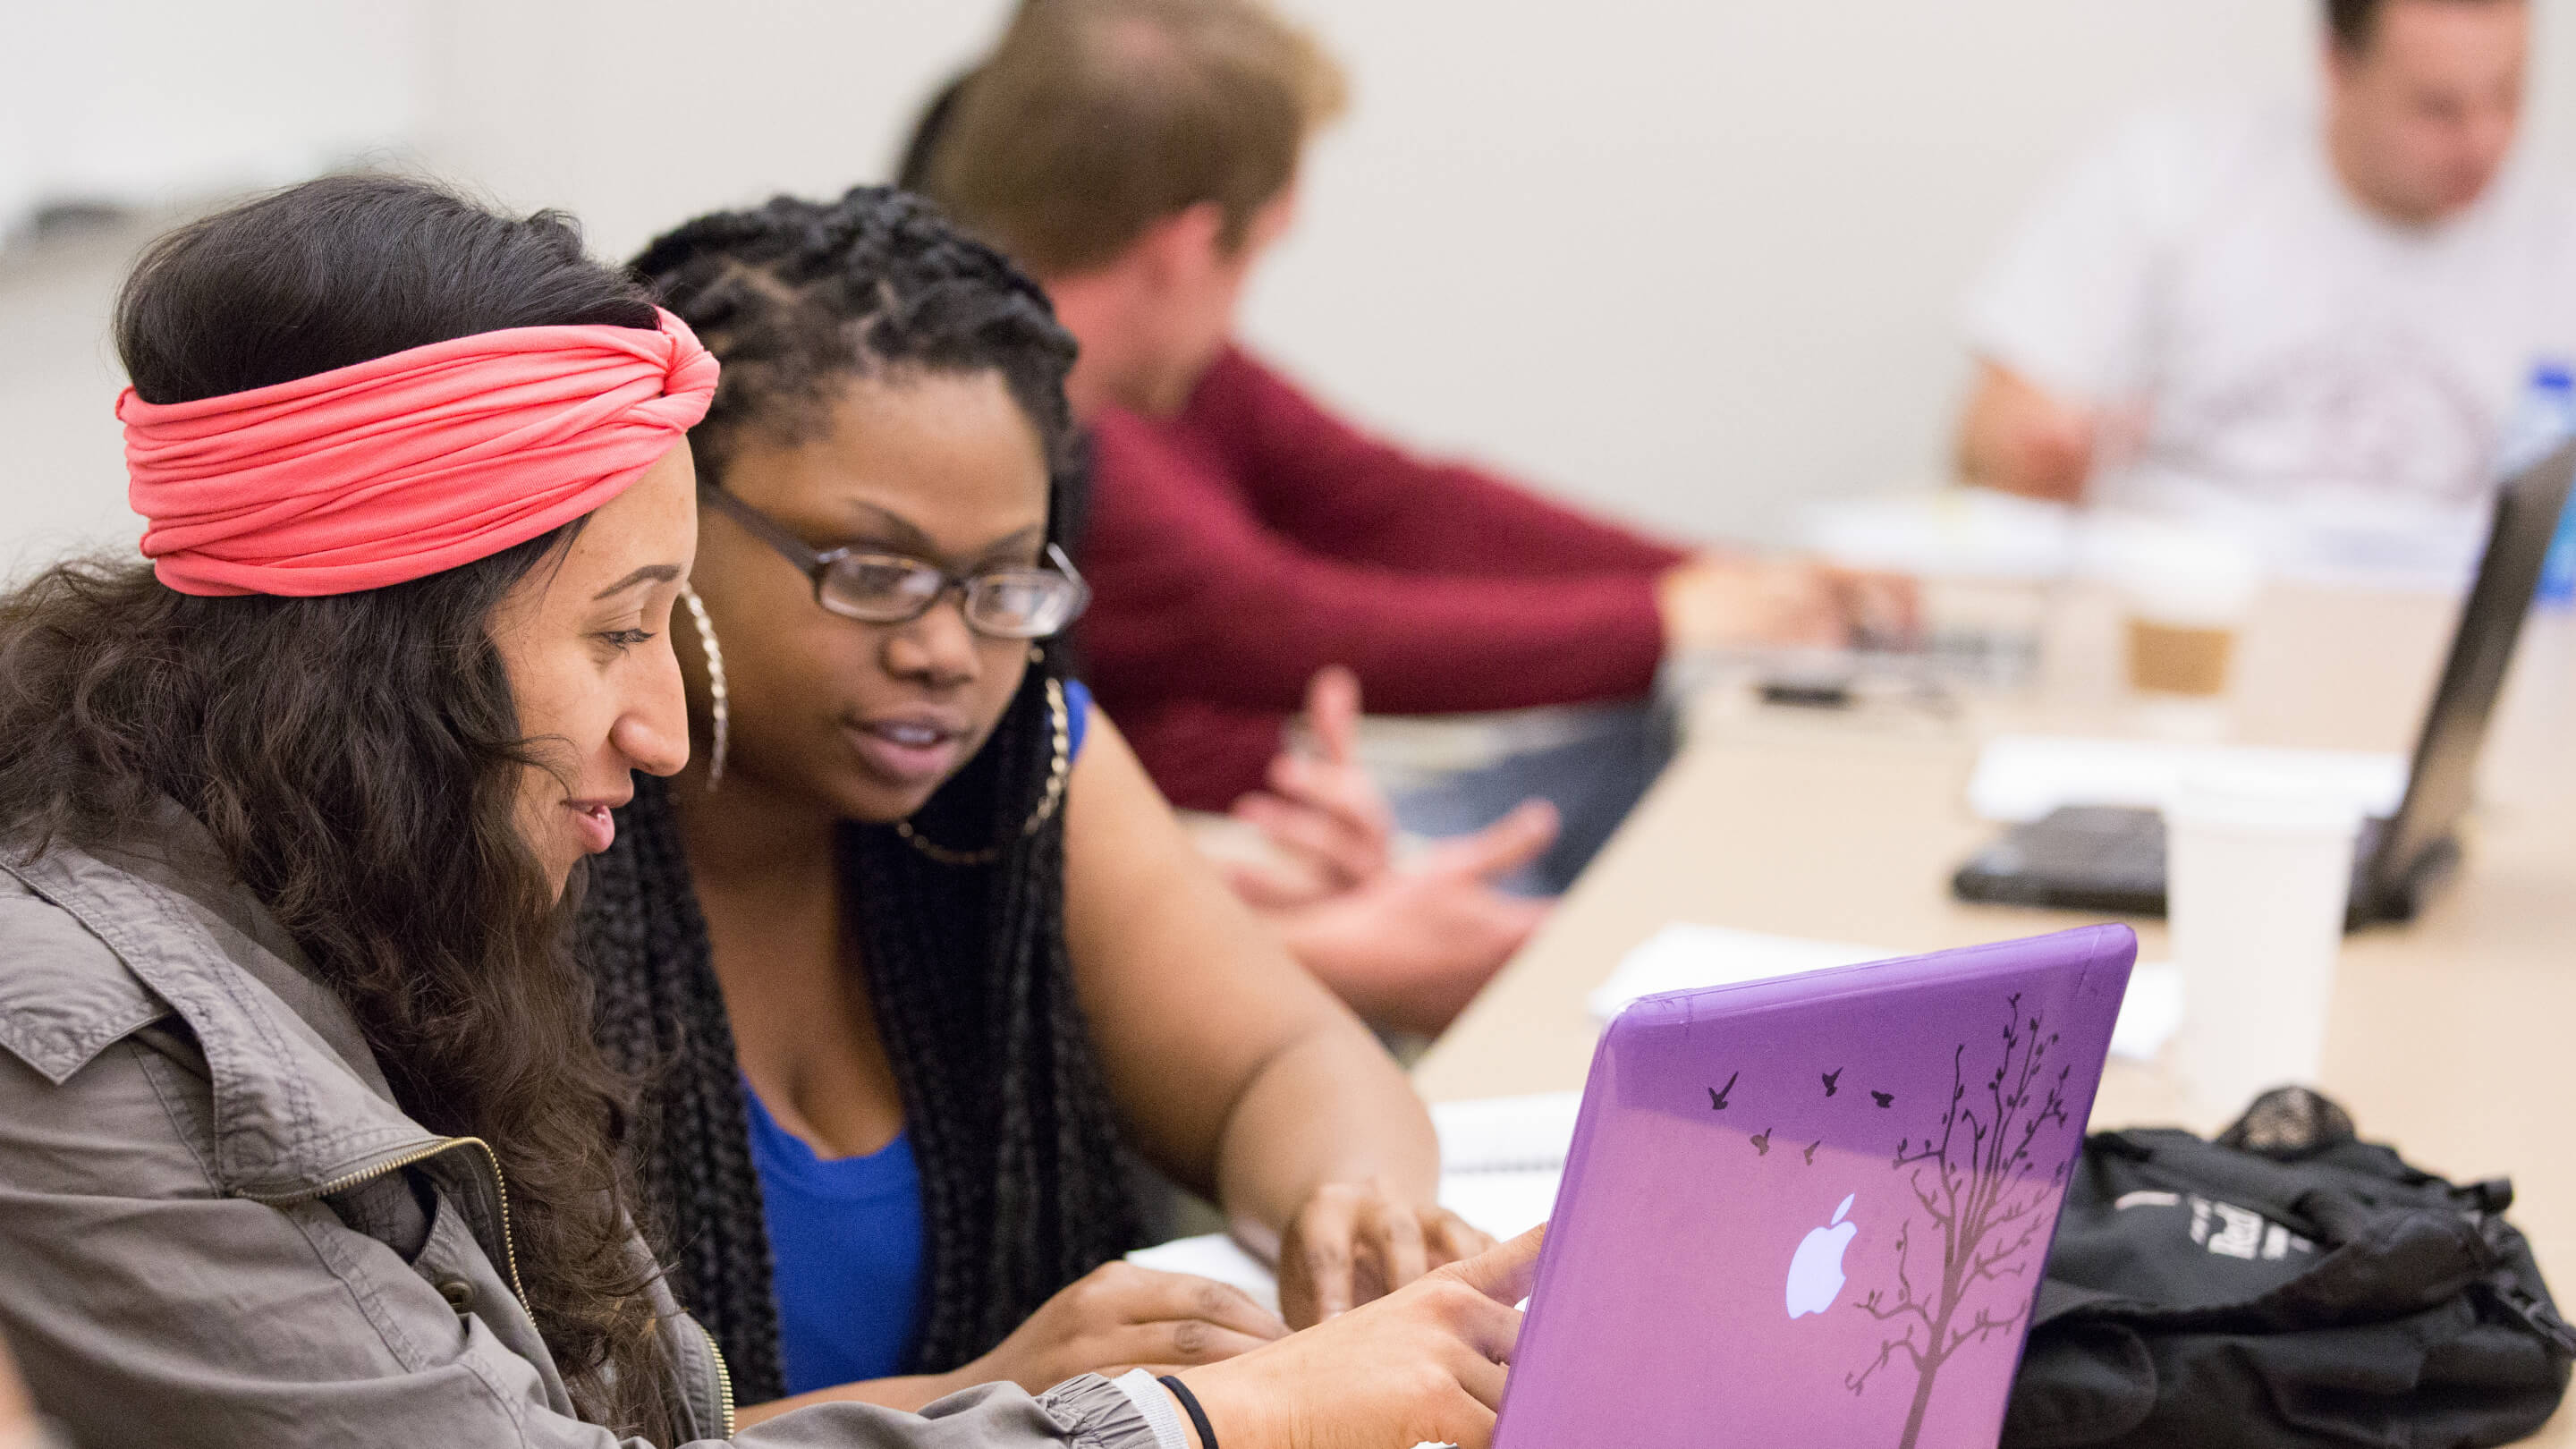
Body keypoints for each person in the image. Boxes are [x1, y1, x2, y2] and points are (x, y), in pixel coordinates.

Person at [0, 173, 1538, 1449]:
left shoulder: (390, 876)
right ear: (376, 651)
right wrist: (1192, 1422)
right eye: (619, 629)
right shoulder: (86, 1040)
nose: (658, 727)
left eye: (999, 580)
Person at [582, 185, 1495, 1420]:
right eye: (877, 573)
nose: (948, 652)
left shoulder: (1019, 761)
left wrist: (1349, 1202)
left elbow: (1285, 1059)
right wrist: (983, 1405)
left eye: (1004, 582)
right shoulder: (537, 825)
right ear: (667, 515)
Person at [904, 0, 1911, 895]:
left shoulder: (1148, 383)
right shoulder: (1045, 449)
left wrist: (1716, 582)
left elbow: (1397, 502)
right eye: (1261, 248)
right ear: (1183, 247)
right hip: (1197, 882)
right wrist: (1662, 619)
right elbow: (1289, 621)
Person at [1956, 0, 2574, 554]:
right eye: (2437, 108)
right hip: (2189, 621)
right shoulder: (2172, 177)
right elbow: (1994, 434)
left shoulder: (2558, 237)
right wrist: (2036, 457)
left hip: (2452, 636)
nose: (2483, 141)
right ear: (2337, 65)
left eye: (2508, 94)